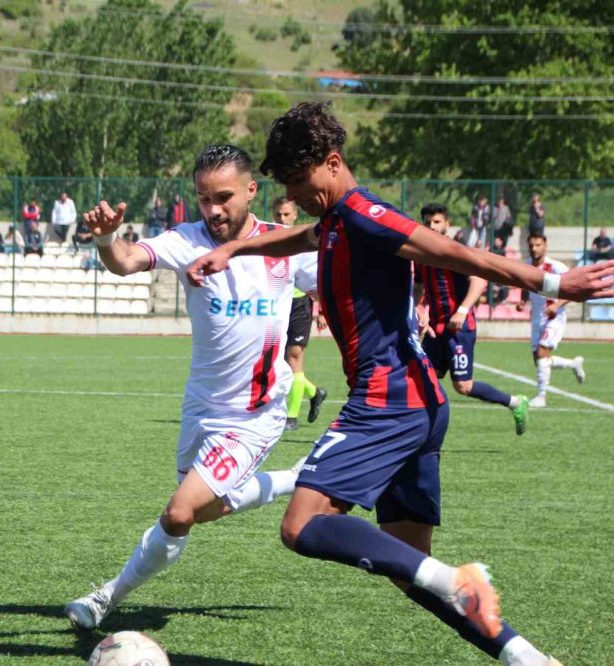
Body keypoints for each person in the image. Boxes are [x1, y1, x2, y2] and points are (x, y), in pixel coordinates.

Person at [185, 103, 610, 666]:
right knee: (411, 574)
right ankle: (525, 656)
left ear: (332, 163)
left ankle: (455, 577)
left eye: (299, 180)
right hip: (420, 405)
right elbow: (303, 236)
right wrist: (238, 247)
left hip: (388, 402)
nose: (294, 193)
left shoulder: (364, 215)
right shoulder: (338, 219)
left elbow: (457, 254)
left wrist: (551, 280)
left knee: (303, 525)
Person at [64, 144, 312, 632]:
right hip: (201, 407)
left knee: (179, 513)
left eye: (223, 197)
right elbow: (127, 260)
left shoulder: (285, 247)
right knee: (200, 509)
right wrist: (107, 238)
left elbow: (341, 285)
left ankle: (106, 597)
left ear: (251, 190)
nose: (214, 210)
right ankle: (290, 480)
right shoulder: (188, 239)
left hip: (255, 413)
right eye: (203, 199)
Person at [415, 203, 529, 434]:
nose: (431, 226)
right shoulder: (421, 254)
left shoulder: (455, 251)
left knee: (463, 386)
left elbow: (478, 281)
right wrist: (419, 308)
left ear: (446, 224)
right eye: (427, 222)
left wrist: (463, 310)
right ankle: (422, 429)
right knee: (422, 375)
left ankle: (516, 403)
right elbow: (418, 286)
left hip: (459, 329)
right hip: (436, 329)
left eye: (436, 222)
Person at [272, 197, 328, 432]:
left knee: (294, 358)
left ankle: (291, 417)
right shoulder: (273, 240)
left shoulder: (304, 242)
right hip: (279, 306)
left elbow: (317, 279)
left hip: (300, 305)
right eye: (278, 215)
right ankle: (314, 392)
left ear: (295, 215)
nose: (282, 219)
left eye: (286, 215)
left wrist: (323, 310)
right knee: (281, 362)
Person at [516, 234, 586, 408]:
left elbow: (574, 290)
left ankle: (541, 397)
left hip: (554, 317)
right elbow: (525, 286)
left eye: (538, 245)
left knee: (541, 353)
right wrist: (523, 300)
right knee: (541, 360)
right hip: (536, 317)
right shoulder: (526, 266)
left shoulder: (556, 267)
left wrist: (556, 305)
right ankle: (573, 364)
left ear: (545, 245)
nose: (534, 249)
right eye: (531, 245)